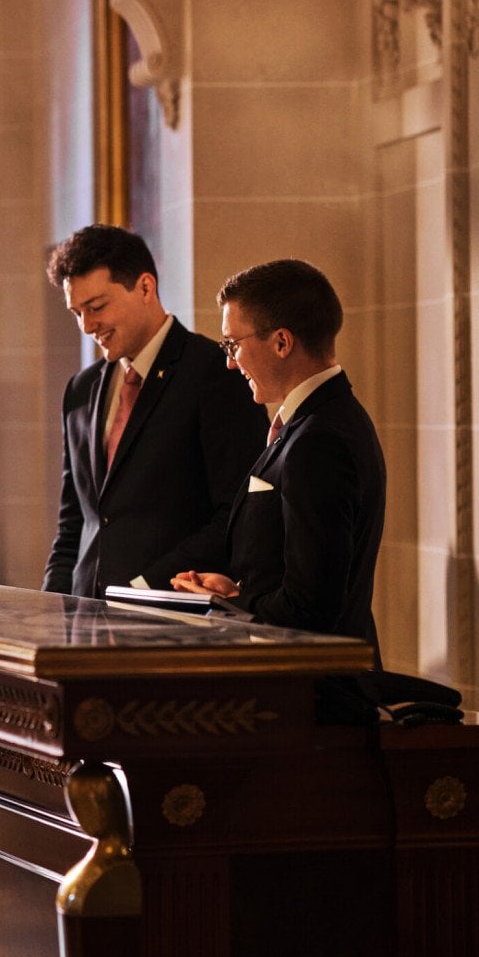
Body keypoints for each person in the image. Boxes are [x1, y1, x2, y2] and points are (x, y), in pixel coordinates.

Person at [172, 258, 386, 651]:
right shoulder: (319, 420)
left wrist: (227, 606)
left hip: (311, 680)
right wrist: (235, 592)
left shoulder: (319, 440)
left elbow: (310, 609)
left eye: (233, 345)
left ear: (282, 343)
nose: (230, 362)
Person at [43, 224, 262, 599]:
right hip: (83, 615)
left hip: (168, 612)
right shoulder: (80, 390)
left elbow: (236, 513)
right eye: (77, 312)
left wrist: (143, 586)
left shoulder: (214, 373)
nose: (87, 326)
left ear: (145, 287)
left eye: (96, 307)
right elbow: (73, 522)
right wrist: (48, 607)